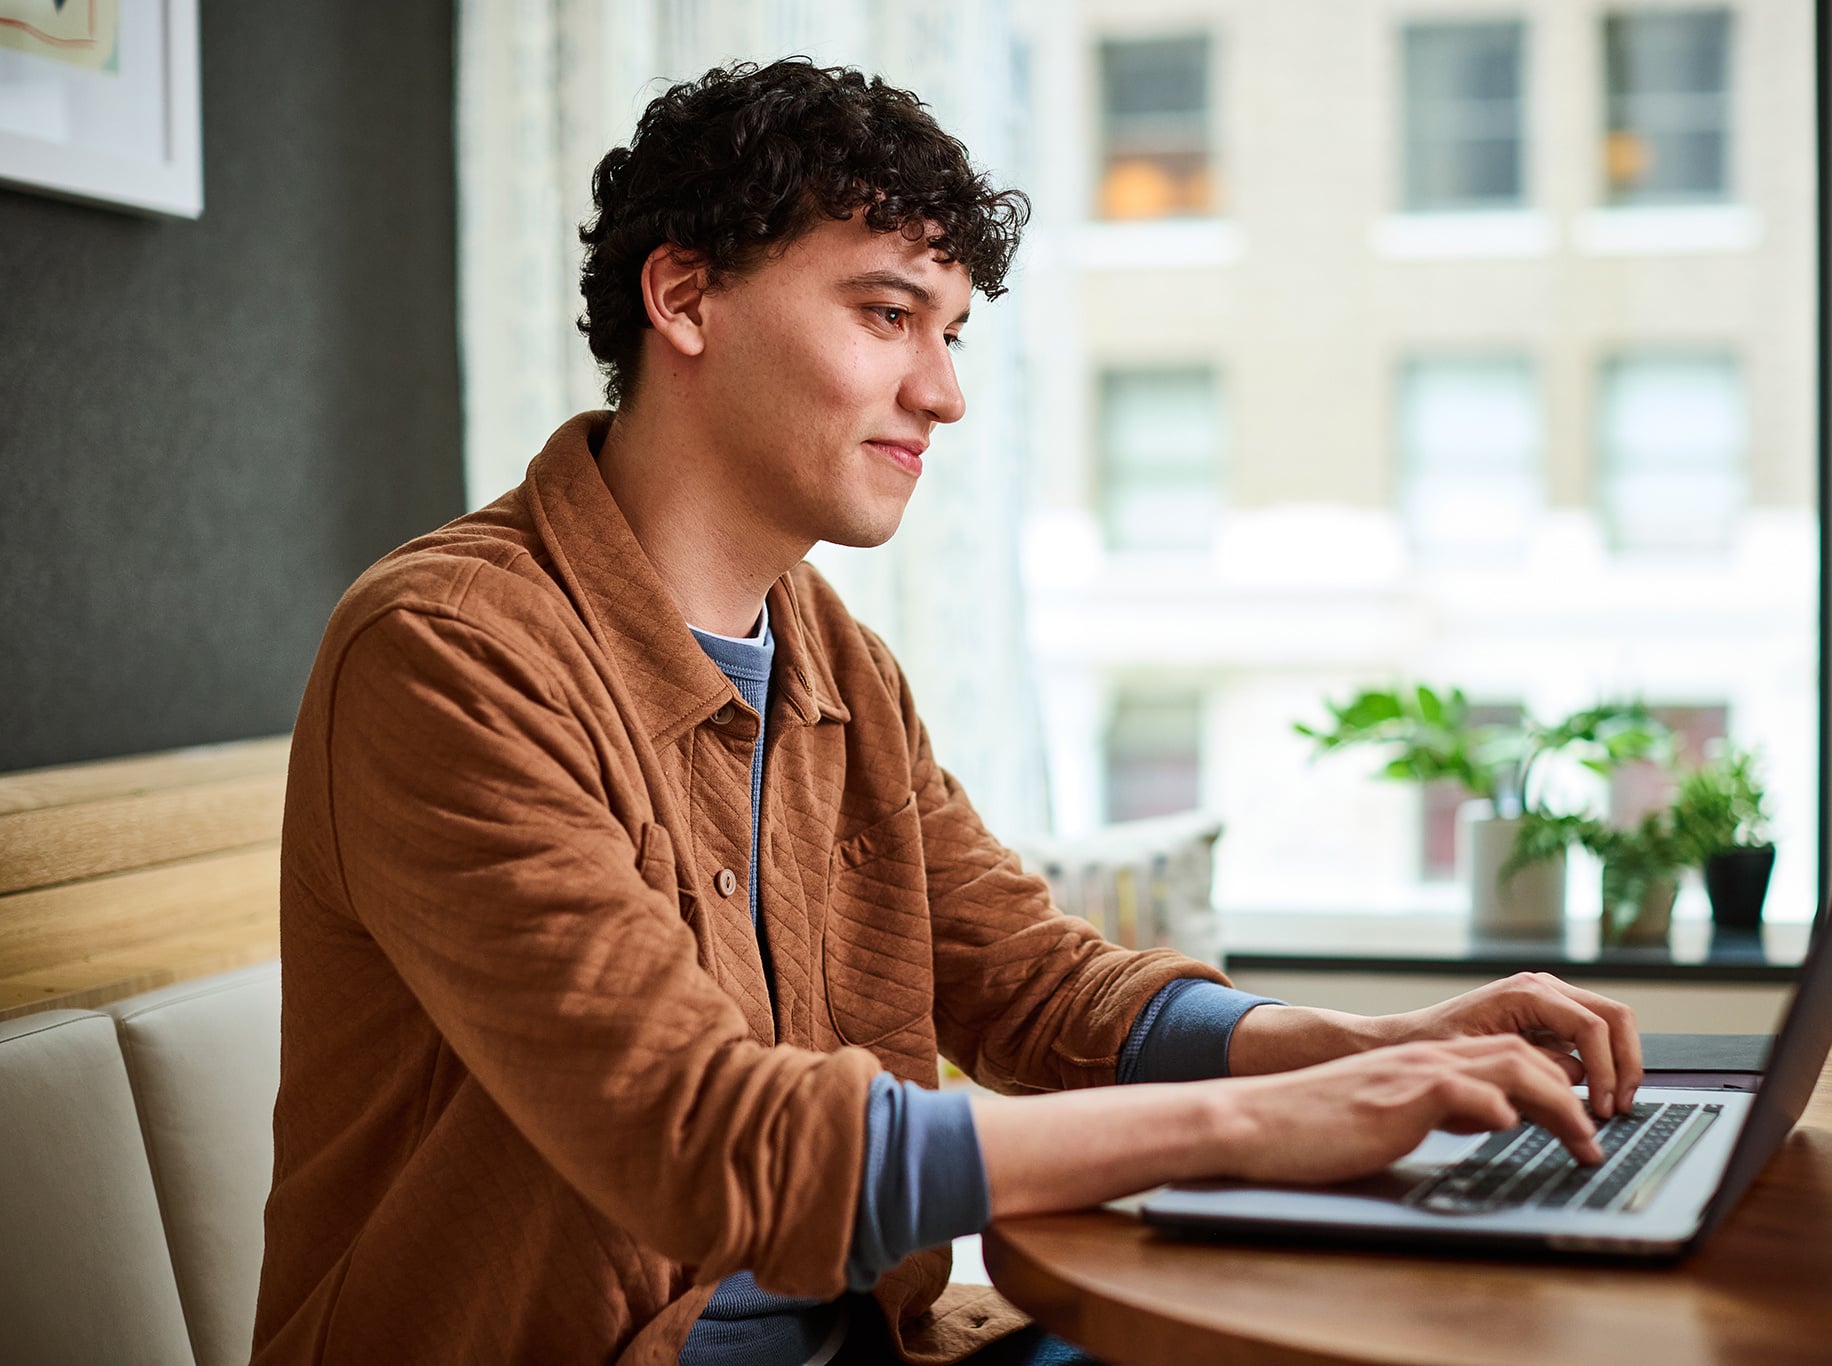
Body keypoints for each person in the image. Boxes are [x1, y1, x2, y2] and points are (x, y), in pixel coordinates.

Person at [250, 58, 1641, 1366]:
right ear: (682, 298)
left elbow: (1031, 982)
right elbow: (710, 1138)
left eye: (954, 329)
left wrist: (1367, 1047)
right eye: (885, 313)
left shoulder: (836, 660)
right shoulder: (447, 651)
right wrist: (1260, 1121)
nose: (947, 391)